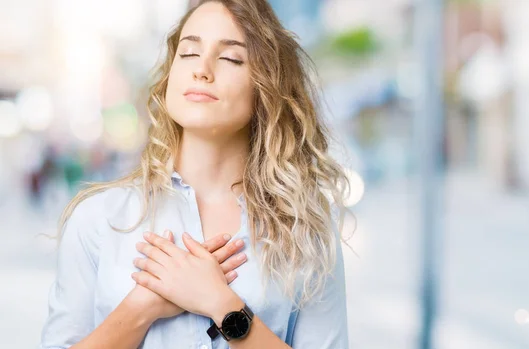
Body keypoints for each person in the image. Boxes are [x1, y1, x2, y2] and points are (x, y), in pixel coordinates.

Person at [39, 1, 350, 348]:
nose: (202, 69)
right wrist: (144, 305)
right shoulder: (98, 219)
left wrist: (222, 304)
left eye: (231, 58)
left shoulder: (305, 229)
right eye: (188, 53)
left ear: (266, 87)